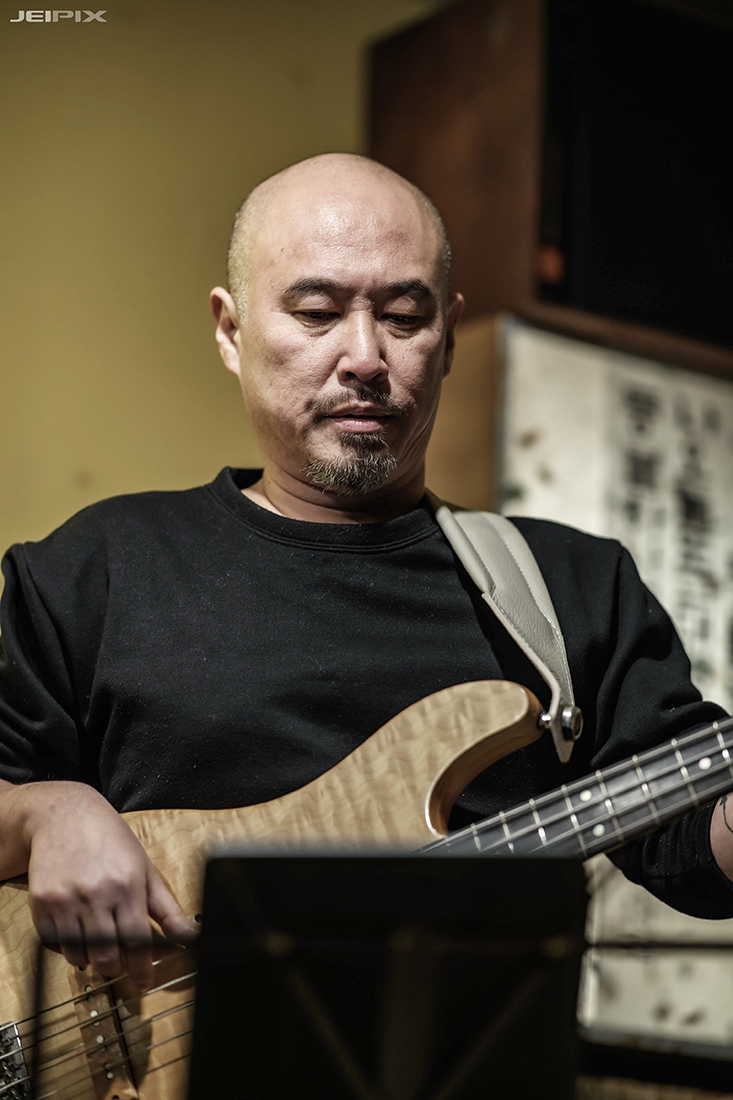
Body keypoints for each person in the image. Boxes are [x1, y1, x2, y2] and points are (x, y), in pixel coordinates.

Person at [1, 153, 733, 994]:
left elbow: (690, 848)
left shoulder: (571, 586)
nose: (363, 356)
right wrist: (45, 813)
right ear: (230, 330)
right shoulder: (96, 567)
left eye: (403, 316)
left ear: (447, 336)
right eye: (316, 312)